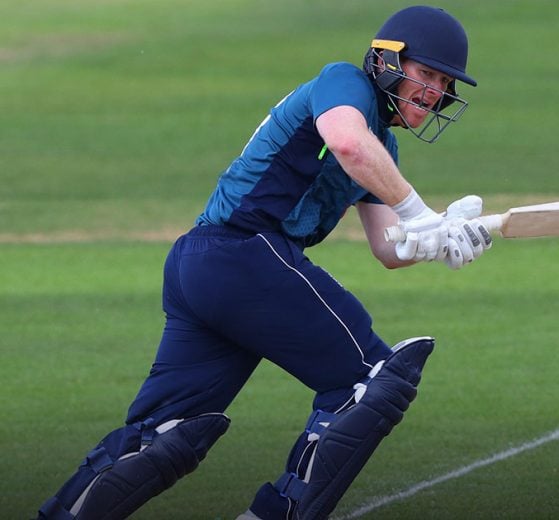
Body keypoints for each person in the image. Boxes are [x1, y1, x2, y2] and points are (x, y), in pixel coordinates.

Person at [37, 5, 493, 520]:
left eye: (443, 82)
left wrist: (441, 236)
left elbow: (390, 248)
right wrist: (418, 212)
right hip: (245, 255)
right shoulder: (346, 83)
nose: (434, 91)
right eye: (426, 73)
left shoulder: (381, 145)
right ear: (387, 61)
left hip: (205, 266)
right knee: (372, 382)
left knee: (166, 434)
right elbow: (347, 143)